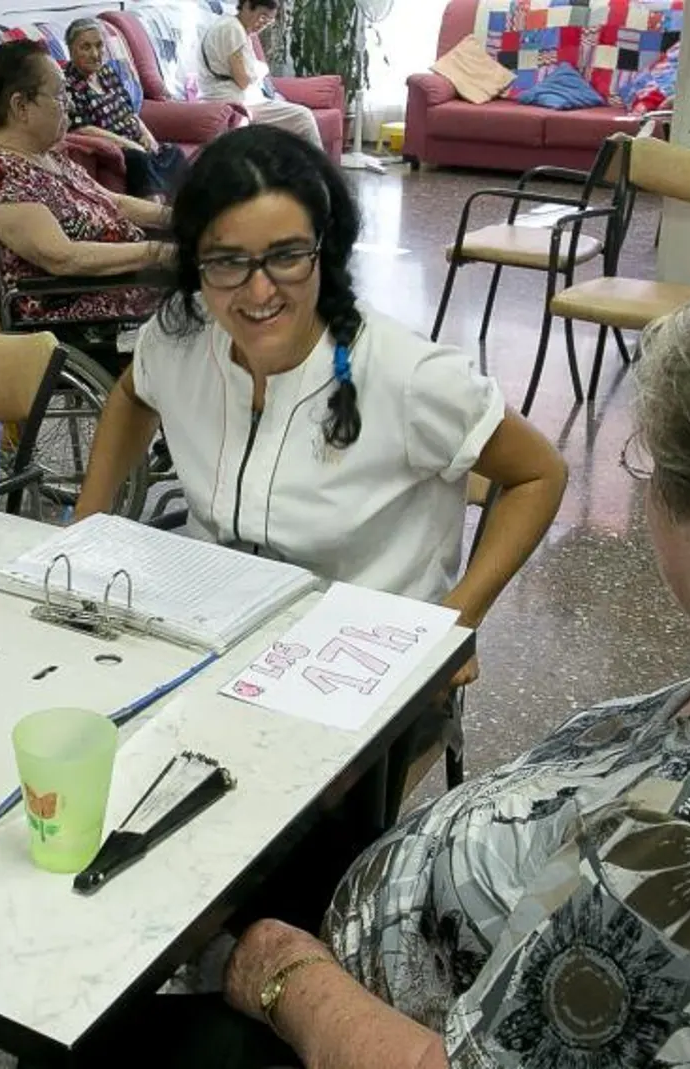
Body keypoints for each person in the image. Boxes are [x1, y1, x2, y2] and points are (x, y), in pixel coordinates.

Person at [112, 270, 690, 1068]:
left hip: (374, 1015)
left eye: (654, 468)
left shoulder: (679, 872)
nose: (644, 491)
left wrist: (286, 979)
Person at [75, 125, 566, 700]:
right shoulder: (182, 336)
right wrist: (88, 523)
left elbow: (540, 473)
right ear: (196, 264)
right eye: (227, 262)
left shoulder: (406, 374)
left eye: (285, 256)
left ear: (323, 250)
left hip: (361, 672)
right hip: (208, 637)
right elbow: (135, 393)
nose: (259, 293)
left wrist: (456, 624)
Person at [0, 39, 172, 325]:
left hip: (126, 285)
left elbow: (114, 203)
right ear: (20, 106)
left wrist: (178, 217)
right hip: (82, 309)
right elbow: (63, 256)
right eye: (61, 95)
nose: (70, 104)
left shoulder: (49, 157)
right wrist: (160, 254)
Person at [63, 17, 188, 198]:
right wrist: (128, 144)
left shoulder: (108, 72)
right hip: (115, 147)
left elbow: (130, 113)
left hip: (135, 141)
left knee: (173, 152)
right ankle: (156, 210)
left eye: (99, 46)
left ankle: (184, 203)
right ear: (71, 50)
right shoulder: (68, 83)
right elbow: (83, 128)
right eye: (86, 47)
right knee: (140, 160)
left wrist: (147, 136)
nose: (95, 54)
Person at [200, 0, 323, 150]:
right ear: (247, 6)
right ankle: (319, 172)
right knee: (303, 117)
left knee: (295, 124)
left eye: (269, 20)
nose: (263, 24)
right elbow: (243, 81)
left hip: (238, 97)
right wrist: (260, 70)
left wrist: (257, 70)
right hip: (233, 101)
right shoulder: (232, 29)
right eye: (263, 16)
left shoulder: (237, 29)